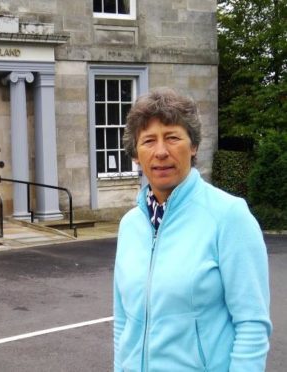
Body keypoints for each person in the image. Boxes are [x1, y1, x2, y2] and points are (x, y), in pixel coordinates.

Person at [113, 88, 272, 371]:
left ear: (194, 145)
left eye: (173, 137)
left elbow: (252, 325)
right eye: (148, 140)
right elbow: (124, 322)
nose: (161, 152)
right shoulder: (129, 225)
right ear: (136, 154)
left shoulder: (229, 216)